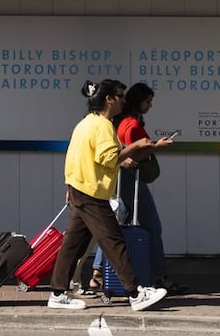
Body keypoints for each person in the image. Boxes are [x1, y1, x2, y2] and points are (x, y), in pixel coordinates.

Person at [46, 79, 169, 312]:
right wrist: (138, 145)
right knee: (114, 242)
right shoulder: (103, 125)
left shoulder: (85, 123)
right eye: (120, 96)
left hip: (79, 188)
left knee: (72, 245)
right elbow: (110, 159)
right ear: (108, 99)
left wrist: (69, 185)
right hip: (92, 192)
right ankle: (136, 293)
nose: (124, 100)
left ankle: (58, 293)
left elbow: (74, 156)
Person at [86, 82, 181, 294]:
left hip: (117, 180)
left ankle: (97, 274)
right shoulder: (130, 124)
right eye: (148, 101)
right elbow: (132, 154)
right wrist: (156, 147)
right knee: (153, 227)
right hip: (131, 181)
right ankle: (160, 276)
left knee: (114, 227)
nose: (150, 106)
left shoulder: (114, 122)